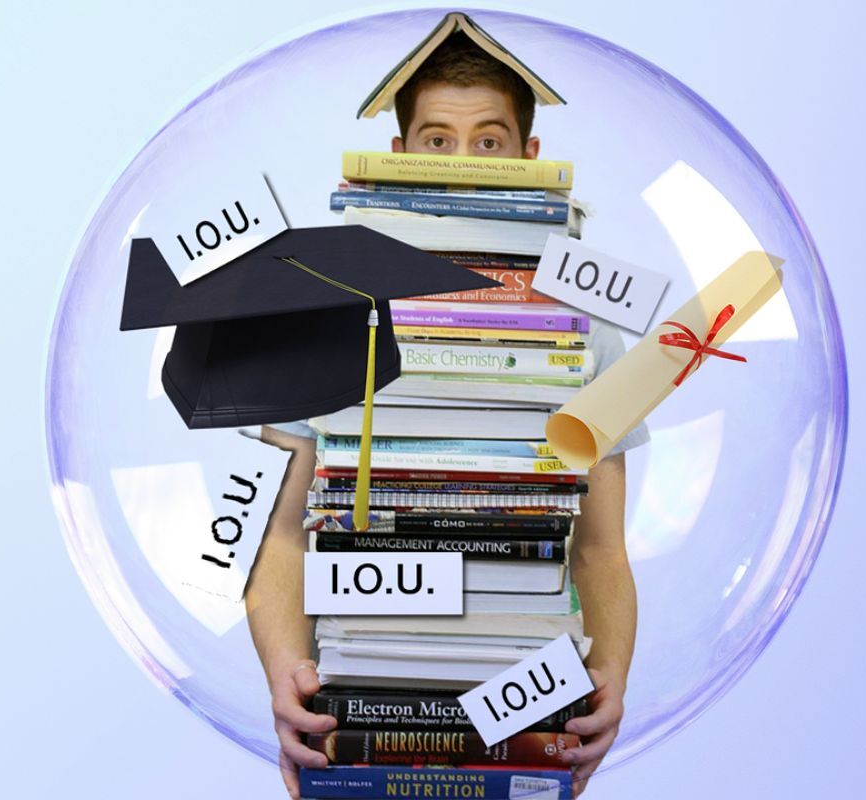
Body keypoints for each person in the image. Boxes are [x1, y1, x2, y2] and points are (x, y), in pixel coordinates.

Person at [244, 32, 645, 799]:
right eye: (438, 140)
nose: (463, 163)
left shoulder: (589, 327)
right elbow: (280, 536)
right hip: (361, 697)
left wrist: (609, 678)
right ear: (397, 153)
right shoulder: (321, 307)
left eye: (488, 142)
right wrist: (286, 677)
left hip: (524, 706)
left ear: (531, 158)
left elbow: (600, 551)